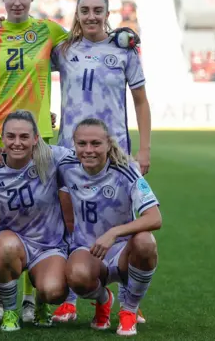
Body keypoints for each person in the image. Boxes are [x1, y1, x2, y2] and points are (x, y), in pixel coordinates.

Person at [0, 0, 140, 322]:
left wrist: (122, 35)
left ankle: (64, 297)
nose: (17, 0)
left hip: (50, 139)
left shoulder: (51, 34)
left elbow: (93, 39)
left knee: (64, 216)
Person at [50, 0, 152, 323]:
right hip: (69, 151)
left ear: (107, 14)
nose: (91, 16)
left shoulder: (124, 49)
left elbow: (140, 100)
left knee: (121, 224)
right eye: (85, 11)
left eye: (97, 10)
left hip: (115, 153)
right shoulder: (63, 49)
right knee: (67, 223)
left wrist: (145, 148)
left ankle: (127, 302)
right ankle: (69, 297)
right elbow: (28, 73)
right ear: (76, 15)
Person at [57, 118, 161, 337]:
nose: (88, 150)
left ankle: (129, 309)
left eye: (96, 143)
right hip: (88, 251)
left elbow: (154, 218)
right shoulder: (66, 166)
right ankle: (104, 299)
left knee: (145, 241)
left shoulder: (126, 170)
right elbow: (28, 147)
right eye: (82, 144)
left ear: (108, 144)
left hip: (123, 252)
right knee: (77, 276)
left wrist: (113, 233)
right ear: (73, 145)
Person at [0, 110, 72, 331]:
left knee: (54, 291)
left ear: (36, 139)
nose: (17, 143)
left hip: (48, 246)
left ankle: (40, 303)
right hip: (12, 242)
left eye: (24, 137)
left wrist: (126, 163)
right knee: (7, 245)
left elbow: (90, 155)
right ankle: (10, 312)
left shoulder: (52, 157)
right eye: (10, 137)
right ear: (2, 139)